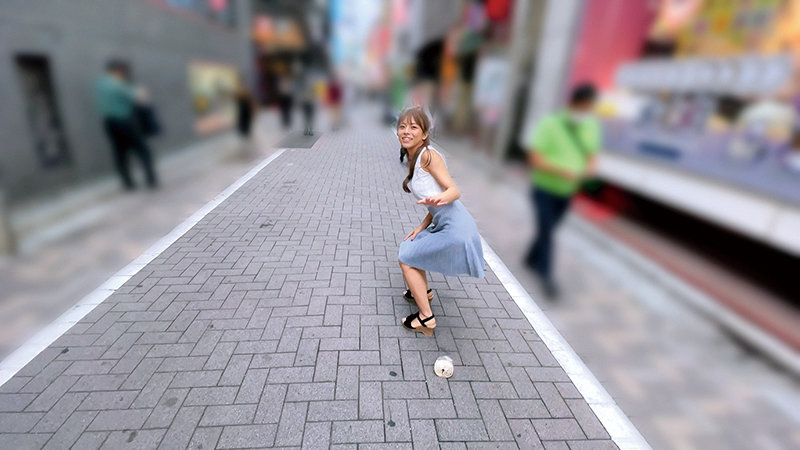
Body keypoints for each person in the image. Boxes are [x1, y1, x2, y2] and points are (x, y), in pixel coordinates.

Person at [397, 107, 485, 336]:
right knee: (411, 244)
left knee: (405, 257)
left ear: (424, 134)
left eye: (413, 127)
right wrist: (421, 226)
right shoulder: (415, 157)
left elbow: (454, 191)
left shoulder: (428, 156)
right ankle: (422, 292)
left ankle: (426, 318)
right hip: (444, 221)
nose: (406, 131)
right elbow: (434, 201)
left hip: (456, 227)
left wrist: (439, 199)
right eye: (402, 126)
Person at [524, 83, 601, 298]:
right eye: (584, 106)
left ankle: (530, 257)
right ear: (575, 103)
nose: (587, 111)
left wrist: (590, 169)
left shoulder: (591, 126)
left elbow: (591, 154)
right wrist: (562, 171)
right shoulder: (551, 123)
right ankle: (546, 276)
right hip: (544, 188)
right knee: (547, 231)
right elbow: (535, 158)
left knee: (548, 228)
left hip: (567, 192)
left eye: (590, 107)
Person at [96, 59, 159, 190]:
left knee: (120, 152)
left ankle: (128, 183)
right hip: (124, 121)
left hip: (109, 123)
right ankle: (150, 179)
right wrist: (140, 91)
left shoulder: (101, 84)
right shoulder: (117, 84)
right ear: (119, 71)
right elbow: (139, 96)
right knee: (143, 150)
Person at [234, 77, 256, 155]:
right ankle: (246, 145)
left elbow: (251, 103)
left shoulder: (246, 92)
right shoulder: (238, 93)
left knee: (246, 129)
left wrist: (253, 111)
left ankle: (248, 145)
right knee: (242, 129)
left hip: (246, 113)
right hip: (242, 113)